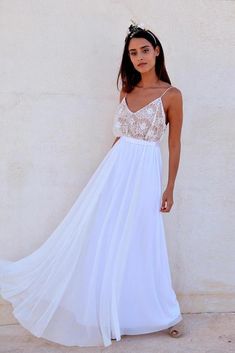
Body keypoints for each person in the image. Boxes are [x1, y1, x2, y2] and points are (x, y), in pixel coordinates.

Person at [0, 21, 184, 347]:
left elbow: (174, 144)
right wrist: (104, 177)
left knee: (143, 239)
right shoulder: (127, 91)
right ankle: (109, 312)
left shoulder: (171, 95)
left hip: (144, 172)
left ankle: (162, 313)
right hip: (116, 169)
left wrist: (169, 187)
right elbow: (118, 138)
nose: (139, 57)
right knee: (106, 236)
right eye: (133, 52)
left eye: (144, 50)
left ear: (156, 51)